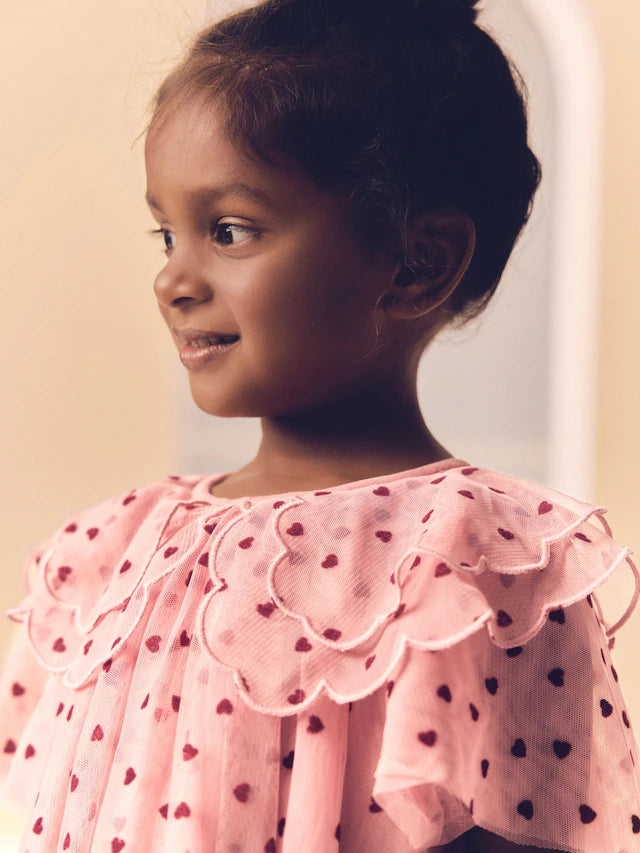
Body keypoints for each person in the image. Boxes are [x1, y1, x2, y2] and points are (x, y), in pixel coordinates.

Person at [1, 0, 639, 849]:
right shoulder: (113, 554)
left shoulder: (475, 567)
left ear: (417, 262)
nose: (174, 280)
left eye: (229, 231)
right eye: (167, 234)